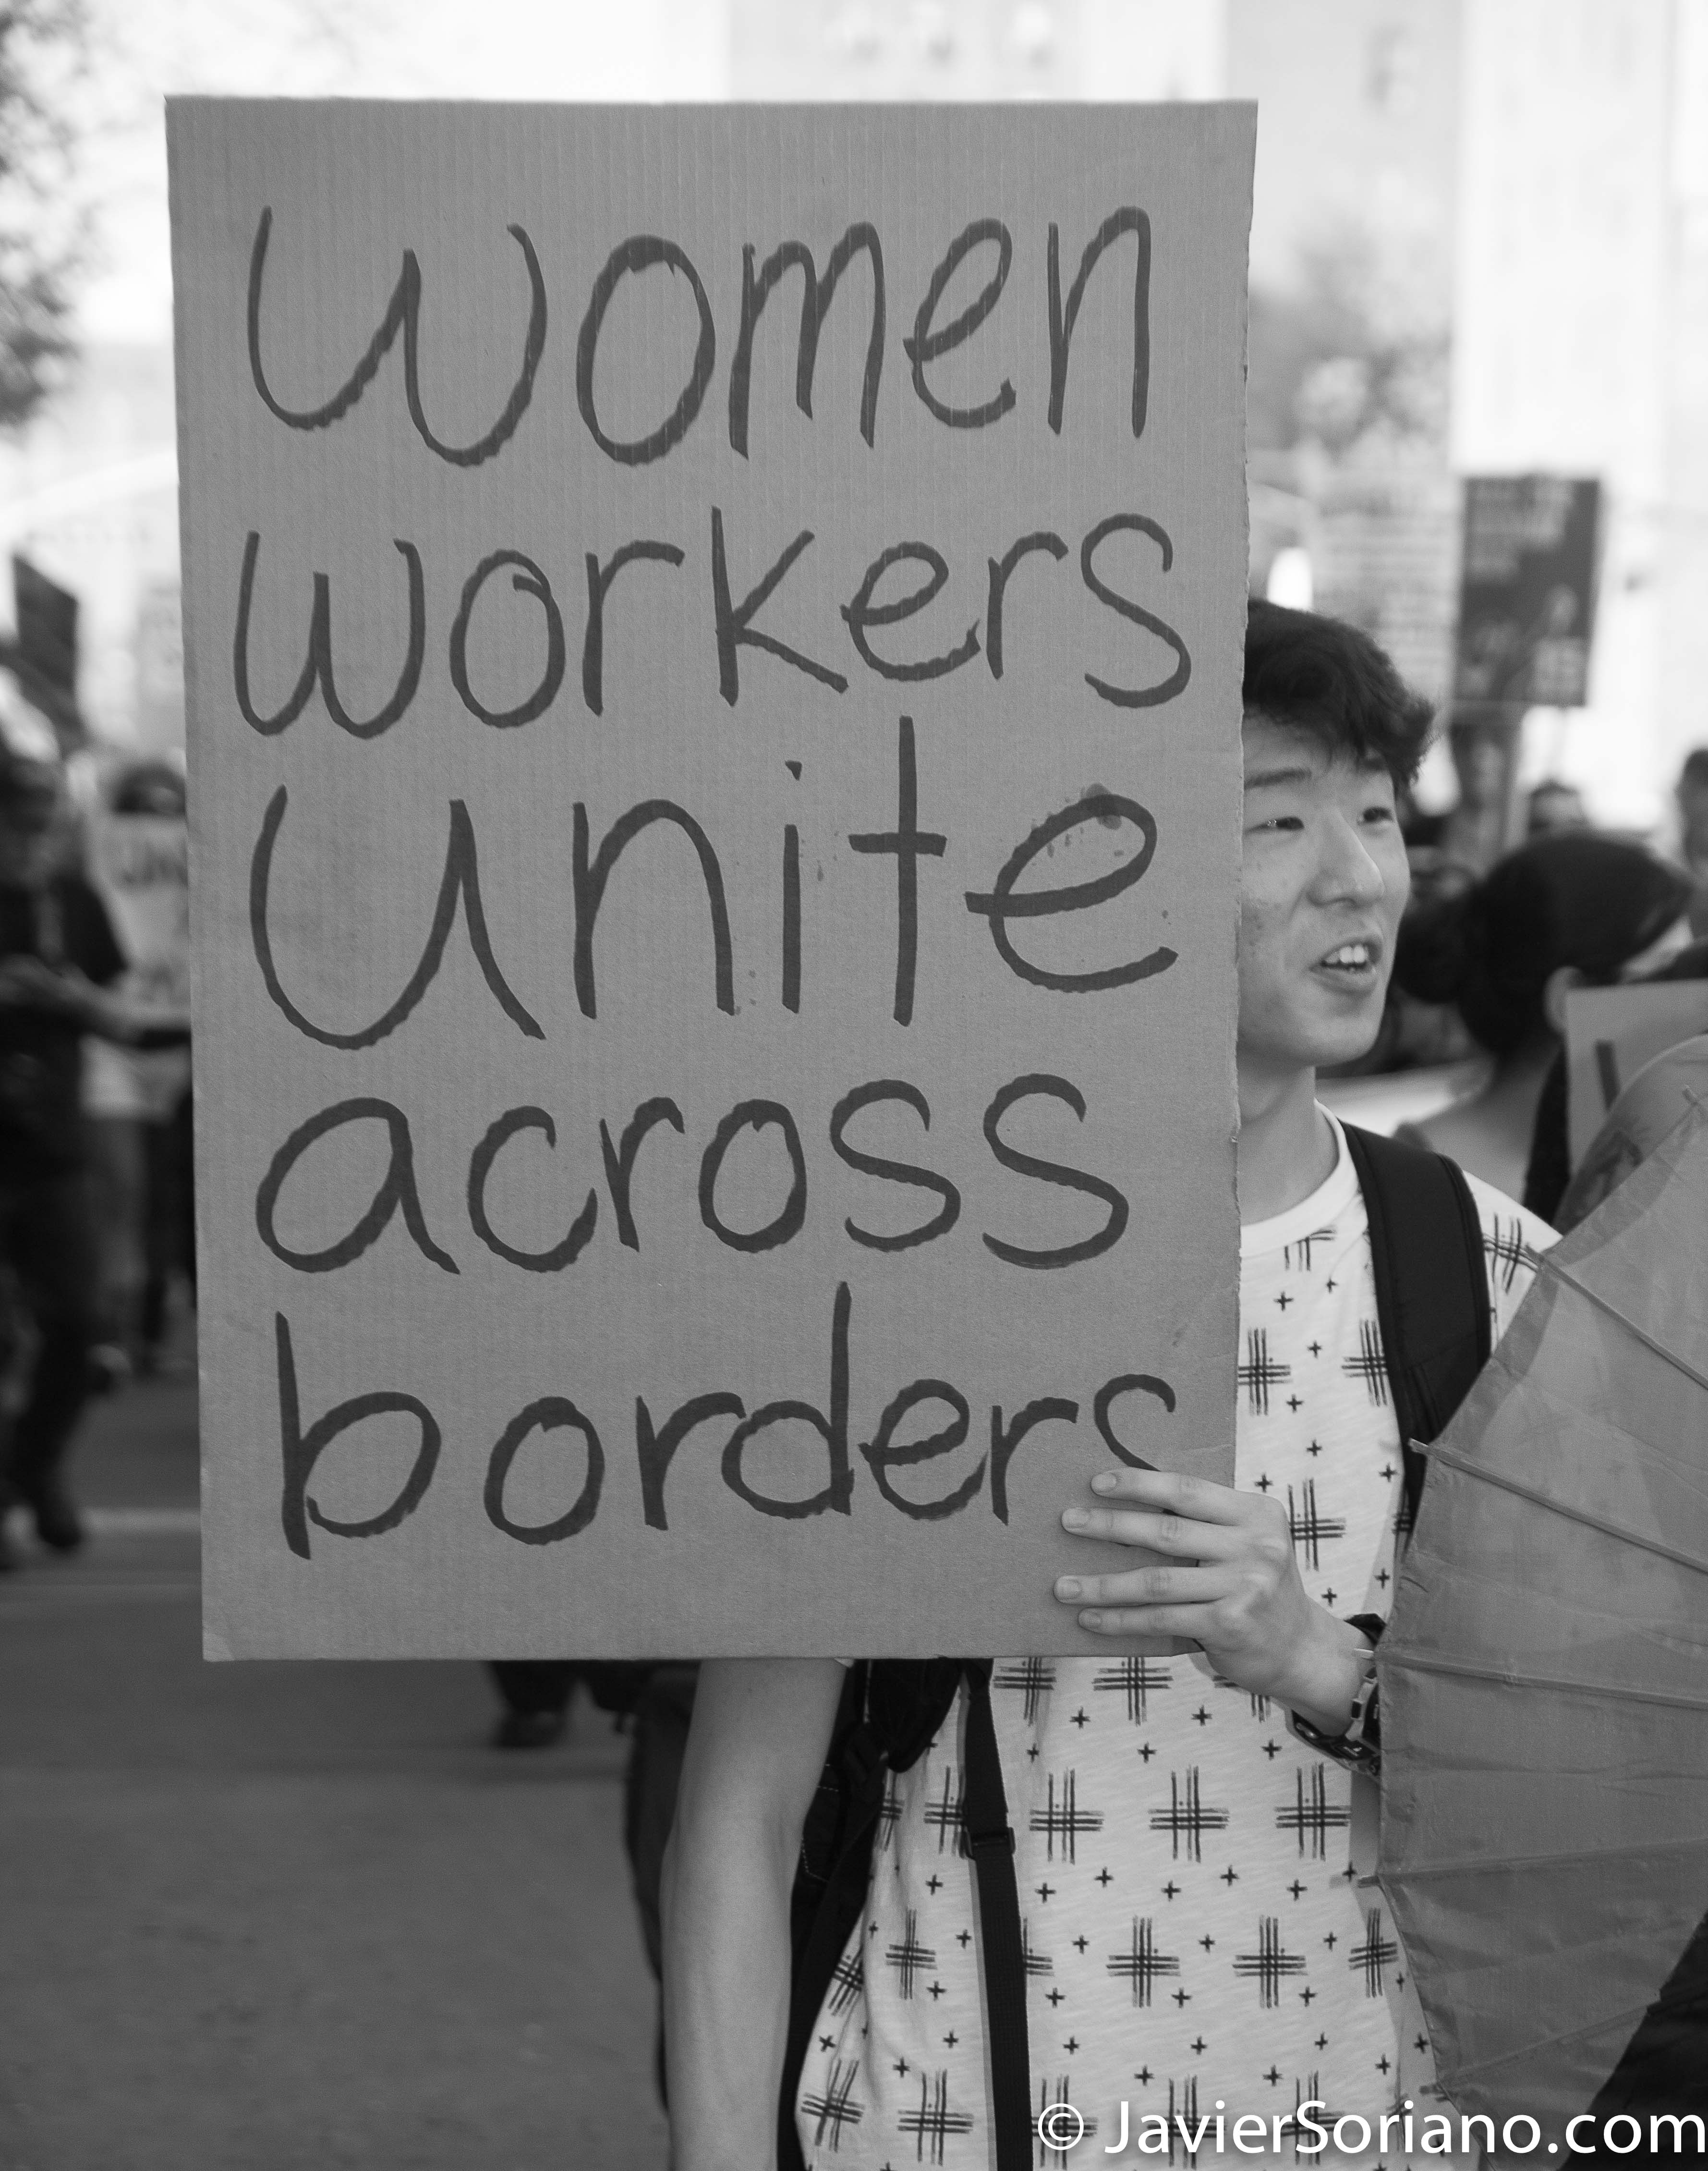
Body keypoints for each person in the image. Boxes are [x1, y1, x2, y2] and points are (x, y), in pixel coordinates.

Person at [661, 602, 1558, 2170]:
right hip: (947, 2115)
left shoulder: (1493, 1280)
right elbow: (737, 1816)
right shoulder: (900, 1264)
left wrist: (1321, 1667)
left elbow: (1586, 1797)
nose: (1358, 878)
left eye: (1374, 817)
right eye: (1273, 820)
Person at [1391, 835, 1692, 1199]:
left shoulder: (1665, 1157)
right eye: (1665, 975)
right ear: (1570, 998)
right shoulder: (1421, 1185)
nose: (1691, 1003)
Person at [0, 747, 133, 1567]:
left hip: (51, 1147)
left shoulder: (72, 901)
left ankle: (35, 1467)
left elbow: (125, 1016)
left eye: (45, 829)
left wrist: (71, 998)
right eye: (18, 829)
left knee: (78, 1324)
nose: (33, 846)